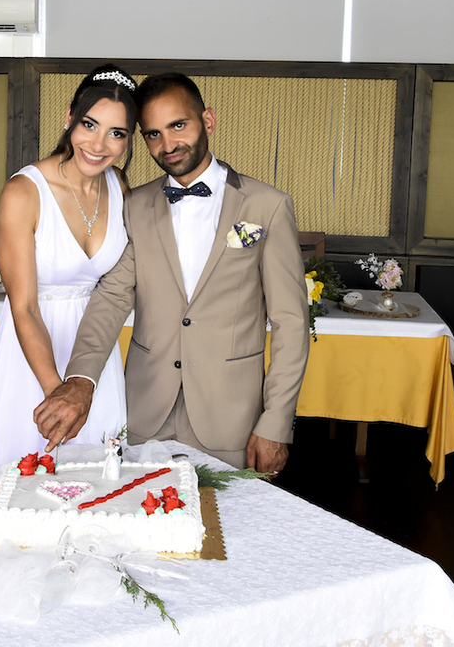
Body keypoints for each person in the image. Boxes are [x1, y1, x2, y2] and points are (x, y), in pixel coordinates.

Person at [34, 72, 309, 473]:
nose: (168, 144)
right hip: (146, 412)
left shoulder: (268, 205)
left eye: (179, 125)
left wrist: (276, 423)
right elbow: (112, 297)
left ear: (208, 121)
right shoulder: (135, 205)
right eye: (153, 134)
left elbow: (291, 321)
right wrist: (80, 379)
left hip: (231, 416)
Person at [0, 65, 138, 468]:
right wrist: (58, 393)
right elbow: (24, 306)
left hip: (95, 354)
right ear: (69, 117)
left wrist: (83, 386)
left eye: (116, 133)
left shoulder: (119, 186)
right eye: (89, 125)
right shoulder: (24, 192)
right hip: (31, 355)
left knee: (100, 476)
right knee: (23, 473)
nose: (98, 144)